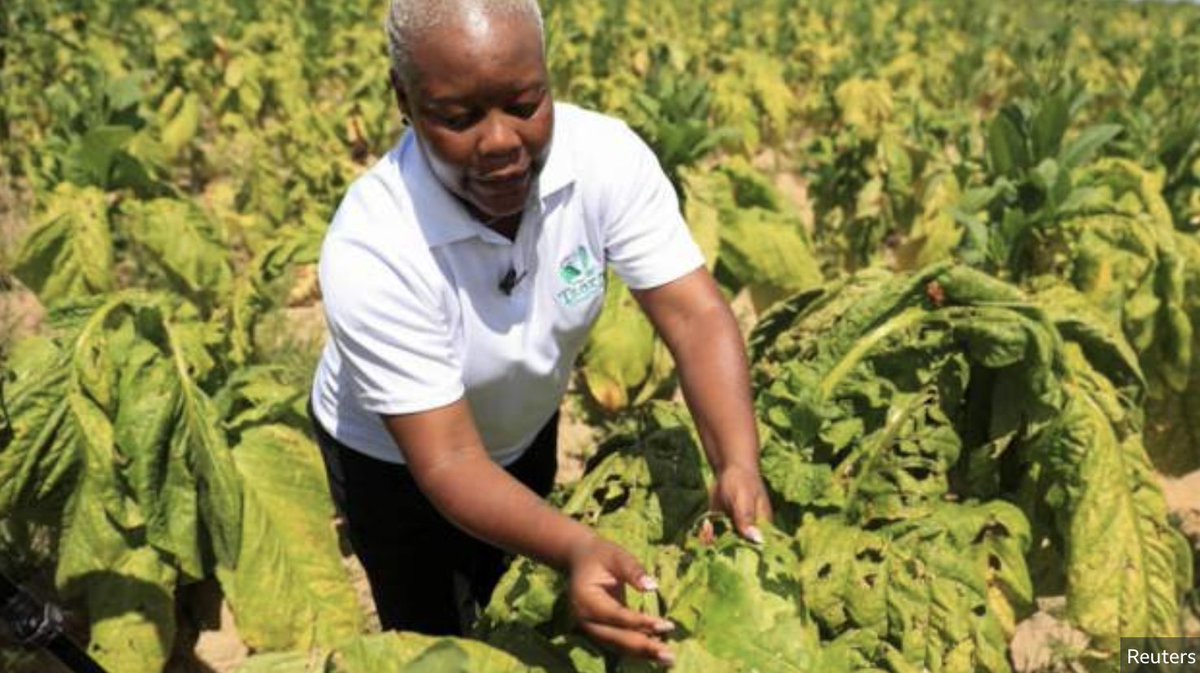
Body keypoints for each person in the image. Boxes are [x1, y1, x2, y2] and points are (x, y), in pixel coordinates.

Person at [308, 0, 771, 666]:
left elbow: (694, 316)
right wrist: (578, 546)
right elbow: (449, 460)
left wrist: (736, 463)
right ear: (404, 100)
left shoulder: (605, 158)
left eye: (525, 105)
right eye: (458, 118)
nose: (500, 141)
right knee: (439, 639)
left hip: (523, 422)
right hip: (395, 462)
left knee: (515, 591)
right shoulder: (374, 245)